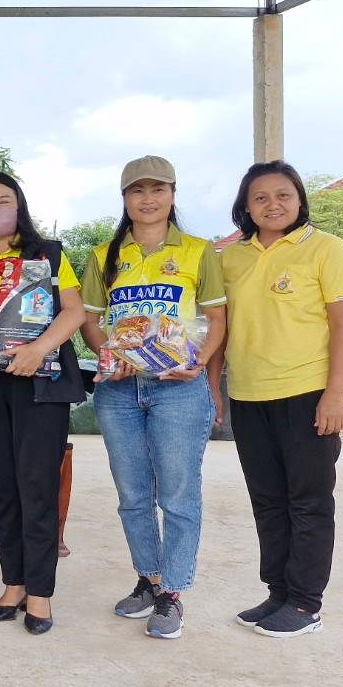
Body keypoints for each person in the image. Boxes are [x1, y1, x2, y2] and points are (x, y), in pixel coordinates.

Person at [78, 156, 227, 641]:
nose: (148, 199)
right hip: (120, 391)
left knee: (179, 495)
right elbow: (90, 320)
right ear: (124, 199)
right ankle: (149, 577)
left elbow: (216, 320)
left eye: (157, 189)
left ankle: (173, 593)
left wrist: (199, 362)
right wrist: (109, 357)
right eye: (137, 190)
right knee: (133, 496)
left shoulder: (200, 252)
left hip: (178, 388)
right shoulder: (104, 255)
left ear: (172, 194)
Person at [209, 160, 343, 638]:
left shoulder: (327, 251)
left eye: (283, 195)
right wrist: (214, 387)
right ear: (246, 206)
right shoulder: (230, 258)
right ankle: (277, 592)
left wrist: (335, 395)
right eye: (260, 198)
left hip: (308, 394)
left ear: (299, 200)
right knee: (268, 501)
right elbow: (220, 328)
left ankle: (305, 603)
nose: (273, 205)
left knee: (308, 502)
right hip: (250, 397)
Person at [0, 172, 84, 635]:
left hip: (41, 384)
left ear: (19, 205)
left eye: (4, 200)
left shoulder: (50, 254)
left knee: (36, 486)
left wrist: (39, 349)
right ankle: (14, 583)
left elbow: (74, 311)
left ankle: (40, 593)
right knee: (2, 486)